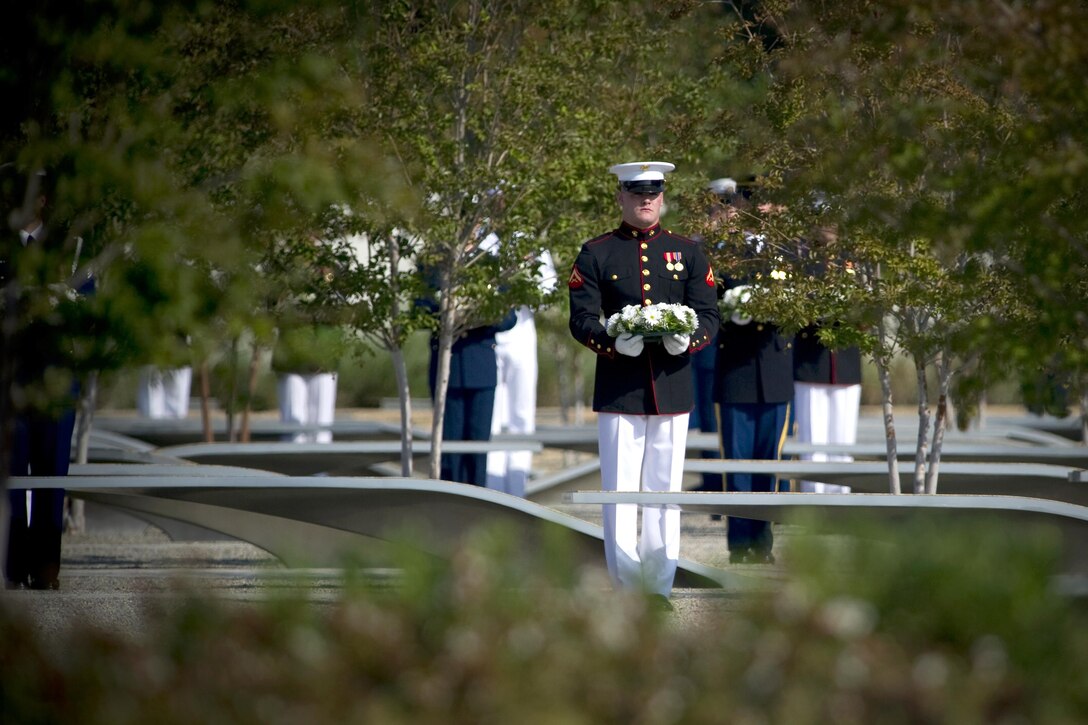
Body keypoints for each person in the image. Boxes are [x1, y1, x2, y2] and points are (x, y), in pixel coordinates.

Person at [568, 160, 719, 604]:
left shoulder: (687, 251)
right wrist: (612, 341)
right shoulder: (597, 252)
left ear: (663, 197)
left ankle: (658, 583)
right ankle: (626, 586)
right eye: (637, 193)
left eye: (653, 193)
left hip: (671, 385)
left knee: (664, 491)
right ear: (621, 197)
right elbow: (580, 318)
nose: (646, 200)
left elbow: (709, 313)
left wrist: (689, 340)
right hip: (619, 387)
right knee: (619, 493)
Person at [2, 166, 89, 590]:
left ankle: (47, 567)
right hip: (12, 376)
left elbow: (90, 305)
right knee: (13, 473)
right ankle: (14, 566)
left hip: (57, 376)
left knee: (52, 473)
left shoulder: (70, 250)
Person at [707, 178, 794, 564]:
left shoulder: (788, 249)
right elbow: (709, 299)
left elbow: (801, 299)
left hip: (773, 368)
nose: (760, 208)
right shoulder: (722, 249)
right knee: (737, 465)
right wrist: (735, 304)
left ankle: (763, 542)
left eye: (767, 201)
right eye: (750, 200)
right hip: (737, 370)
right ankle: (740, 543)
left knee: (770, 464)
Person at [484, 243, 558, 497]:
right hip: (485, 333)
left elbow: (548, 291)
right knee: (490, 417)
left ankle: (517, 490)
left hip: (521, 332)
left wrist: (526, 273)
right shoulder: (477, 238)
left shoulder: (528, 239)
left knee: (522, 415)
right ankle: (491, 491)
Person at [427, 312, 517, 487]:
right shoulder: (434, 282)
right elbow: (421, 309)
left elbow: (509, 317)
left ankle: (477, 508)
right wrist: (449, 312)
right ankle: (448, 504)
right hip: (448, 368)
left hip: (481, 367)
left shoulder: (494, 282)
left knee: (478, 450)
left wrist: (478, 315)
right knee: (448, 452)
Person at [792, 323, 862, 493]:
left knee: (843, 443)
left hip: (846, 363)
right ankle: (813, 504)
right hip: (811, 362)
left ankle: (840, 504)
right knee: (812, 444)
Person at [271, 324, 343, 443]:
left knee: (322, 424)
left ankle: (320, 456)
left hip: (323, 354)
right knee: (293, 422)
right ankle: (292, 456)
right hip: (291, 357)